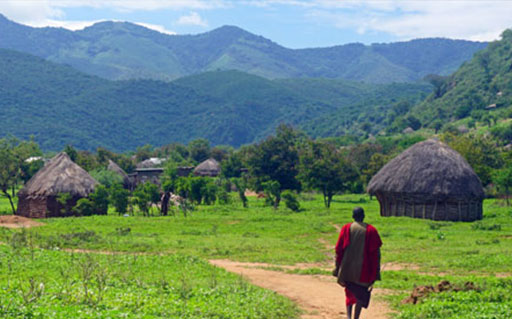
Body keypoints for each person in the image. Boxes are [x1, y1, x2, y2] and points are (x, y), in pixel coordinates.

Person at [333, 207, 382, 319]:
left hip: (347, 268)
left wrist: (338, 267)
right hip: (364, 270)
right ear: (363, 216)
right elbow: (376, 254)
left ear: (353, 216)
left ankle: (349, 316)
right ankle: (356, 317)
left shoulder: (346, 228)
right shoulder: (371, 230)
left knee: (349, 293)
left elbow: (338, 249)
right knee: (360, 294)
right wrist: (375, 272)